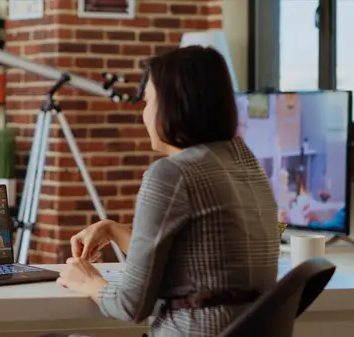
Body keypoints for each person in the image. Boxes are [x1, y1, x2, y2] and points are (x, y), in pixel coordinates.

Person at [56, 46, 280, 336]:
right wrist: (112, 230)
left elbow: (130, 306)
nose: (144, 116)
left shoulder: (172, 174)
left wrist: (88, 281)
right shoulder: (245, 162)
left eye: (147, 102)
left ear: (173, 105)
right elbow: (197, 260)